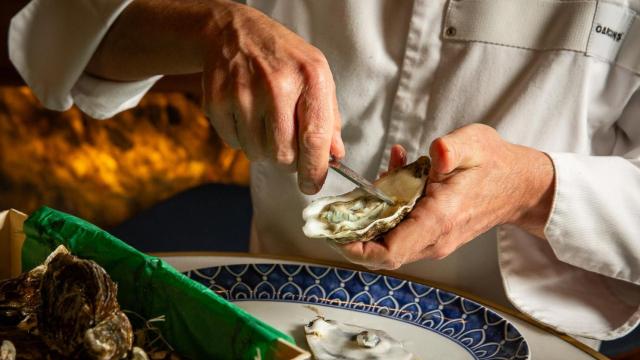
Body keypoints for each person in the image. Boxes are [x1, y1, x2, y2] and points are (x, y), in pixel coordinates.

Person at [9, 0, 640, 348]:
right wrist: (211, 25)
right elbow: (59, 33)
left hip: (533, 340)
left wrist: (531, 186)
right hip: (272, 317)